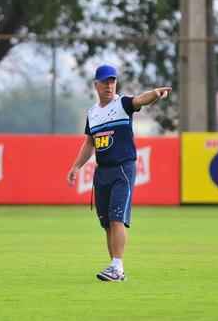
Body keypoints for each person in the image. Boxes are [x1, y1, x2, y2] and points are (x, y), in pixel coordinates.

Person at [66, 64, 171, 282]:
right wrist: (76, 166)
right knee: (106, 223)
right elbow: (89, 143)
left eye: (112, 81)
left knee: (116, 218)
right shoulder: (92, 113)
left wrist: (155, 94)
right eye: (105, 81)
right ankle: (114, 267)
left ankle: (117, 266)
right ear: (96, 85)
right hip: (102, 172)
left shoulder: (121, 104)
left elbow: (139, 100)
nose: (109, 85)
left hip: (123, 168)